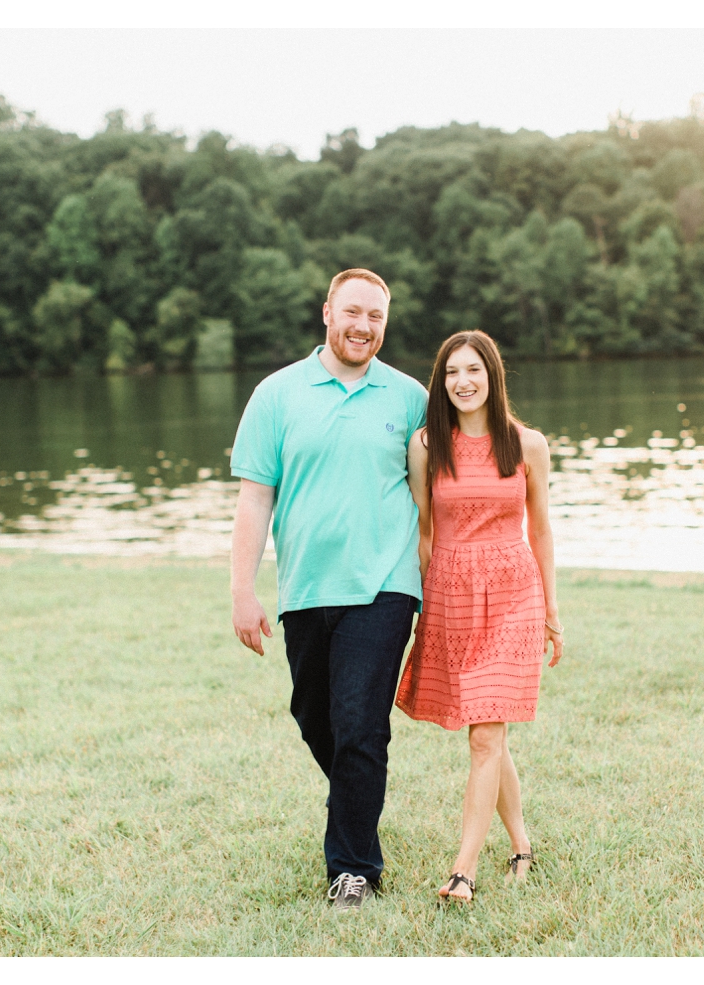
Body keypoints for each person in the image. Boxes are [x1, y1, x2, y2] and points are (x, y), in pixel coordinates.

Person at [229, 268, 428, 910]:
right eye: (352, 312)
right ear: (326, 313)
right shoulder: (277, 394)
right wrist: (243, 589)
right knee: (316, 717)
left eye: (376, 316)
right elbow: (256, 500)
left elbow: (444, 487)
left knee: (360, 723)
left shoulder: (408, 398)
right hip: (306, 590)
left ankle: (353, 870)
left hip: (385, 584)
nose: (363, 326)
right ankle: (356, 801)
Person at [394, 329, 564, 904]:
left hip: (514, 596)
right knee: (491, 735)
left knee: (485, 736)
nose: (462, 382)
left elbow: (540, 530)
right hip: (451, 598)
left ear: (493, 376)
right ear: (440, 382)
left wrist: (552, 612)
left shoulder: (527, 444)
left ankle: (463, 871)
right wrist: (421, 611)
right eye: (450, 372)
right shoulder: (425, 446)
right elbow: (424, 533)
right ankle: (521, 846)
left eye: (474, 371)